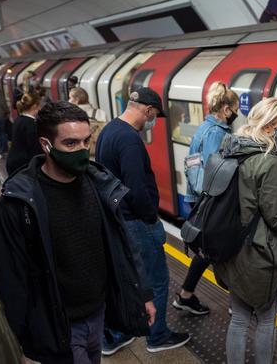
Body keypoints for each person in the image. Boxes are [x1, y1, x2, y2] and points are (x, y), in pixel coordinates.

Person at [0, 101, 155, 364]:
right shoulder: (19, 203)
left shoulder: (99, 184)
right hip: (59, 324)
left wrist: (143, 295)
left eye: (86, 142)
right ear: (46, 145)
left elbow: (123, 245)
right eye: (70, 144)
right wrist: (23, 338)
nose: (81, 151)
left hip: (98, 313)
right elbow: (11, 278)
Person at [96, 87, 190, 355]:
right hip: (136, 221)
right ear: (149, 111)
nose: (152, 121)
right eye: (154, 115)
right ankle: (157, 335)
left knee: (127, 279)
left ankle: (117, 333)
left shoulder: (109, 131)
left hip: (118, 217)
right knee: (157, 280)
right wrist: (150, 217)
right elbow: (136, 187)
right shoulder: (129, 139)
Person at [213, 97, 277, 364]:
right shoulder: (269, 160)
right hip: (260, 253)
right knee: (265, 319)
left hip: (232, 246)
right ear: (269, 126)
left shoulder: (233, 146)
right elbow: (276, 217)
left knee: (238, 317)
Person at [173, 81, 238, 315]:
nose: (236, 115)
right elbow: (215, 170)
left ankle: (185, 294)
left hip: (199, 197)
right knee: (222, 249)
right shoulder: (217, 133)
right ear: (226, 109)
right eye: (236, 110)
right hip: (209, 198)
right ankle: (236, 304)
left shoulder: (204, 127)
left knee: (206, 251)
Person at [6, 92, 43, 175]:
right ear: (34, 106)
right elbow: (34, 149)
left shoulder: (19, 119)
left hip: (13, 162)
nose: (40, 108)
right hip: (23, 165)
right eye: (39, 105)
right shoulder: (31, 124)